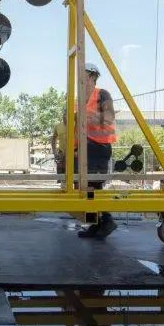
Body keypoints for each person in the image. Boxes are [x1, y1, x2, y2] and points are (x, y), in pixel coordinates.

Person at [74, 63, 118, 239]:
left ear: (92, 76)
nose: (80, 78)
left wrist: (90, 116)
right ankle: (97, 223)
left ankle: (107, 220)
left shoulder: (102, 94)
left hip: (99, 146)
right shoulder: (80, 99)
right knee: (85, 187)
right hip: (85, 147)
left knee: (93, 187)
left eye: (83, 74)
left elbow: (109, 118)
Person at [50, 107, 67, 179]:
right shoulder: (58, 126)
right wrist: (54, 152)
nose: (65, 116)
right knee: (62, 178)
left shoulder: (75, 125)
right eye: (64, 114)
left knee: (75, 178)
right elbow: (53, 139)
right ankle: (63, 188)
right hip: (61, 154)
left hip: (74, 154)